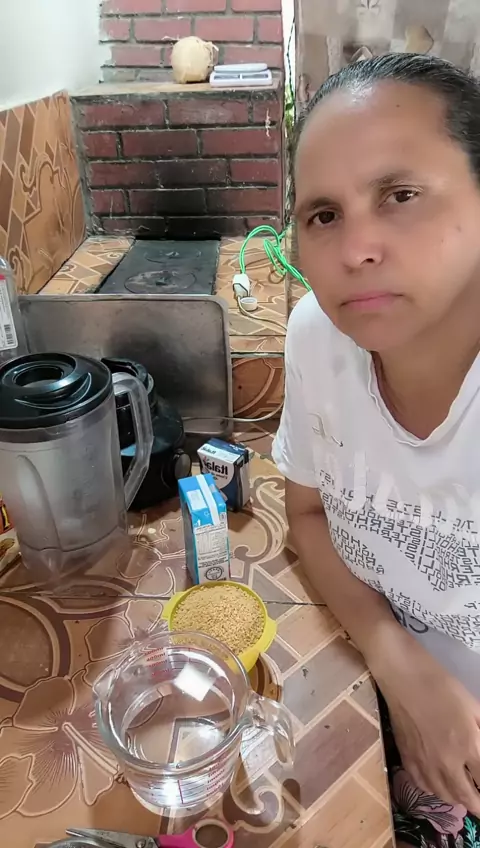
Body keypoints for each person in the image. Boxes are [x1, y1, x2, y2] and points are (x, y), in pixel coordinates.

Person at [272, 53, 480, 848]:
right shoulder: (318, 338)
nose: (355, 248)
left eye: (401, 195)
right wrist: (399, 665)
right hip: (376, 704)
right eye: (323, 214)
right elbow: (305, 512)